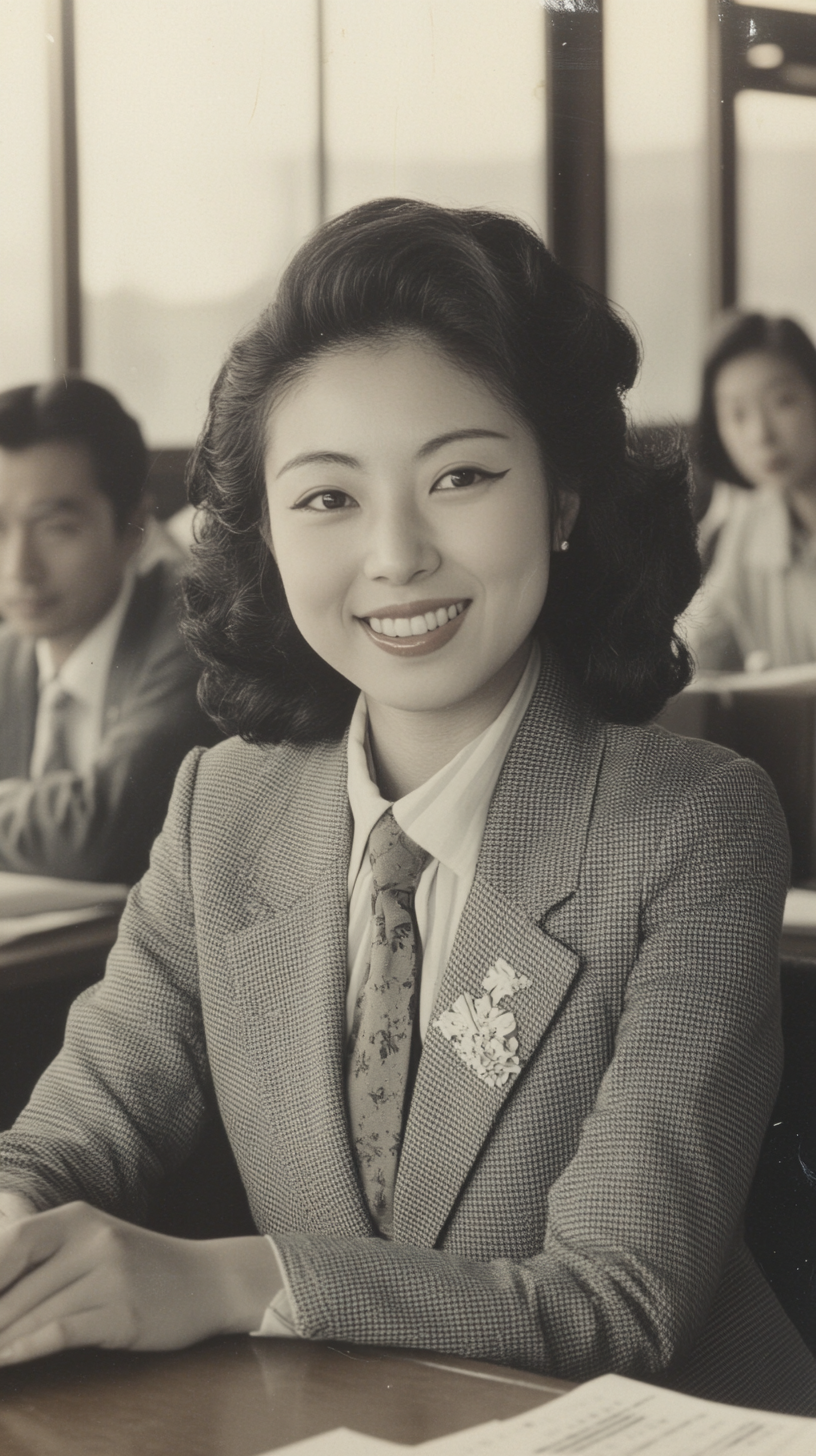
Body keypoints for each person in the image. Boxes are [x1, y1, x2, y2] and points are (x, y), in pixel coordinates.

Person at [0, 201, 813, 1414]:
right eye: (327, 497)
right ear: (264, 529)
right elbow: (67, 1135)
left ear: (566, 496)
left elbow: (620, 1294)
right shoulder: (221, 808)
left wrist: (238, 1282)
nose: (395, 554)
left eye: (463, 476)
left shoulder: (693, 828)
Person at [0, 377, 214, 882]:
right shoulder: (10, 654)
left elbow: (99, 834)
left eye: (57, 528)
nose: (19, 567)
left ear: (133, 530)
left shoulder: (195, 633)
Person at [685, 312, 816, 673]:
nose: (760, 435)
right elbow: (693, 656)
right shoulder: (749, 522)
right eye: (737, 414)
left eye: (782, 402)